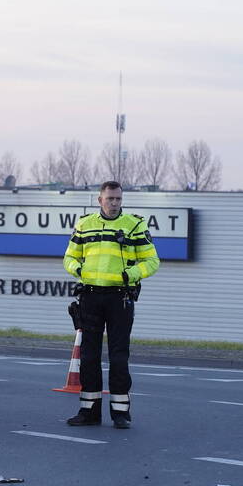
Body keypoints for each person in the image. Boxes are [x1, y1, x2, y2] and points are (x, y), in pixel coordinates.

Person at [63, 181, 159, 429]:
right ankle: (89, 411)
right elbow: (69, 257)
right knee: (89, 356)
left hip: (120, 298)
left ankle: (120, 413)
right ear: (100, 200)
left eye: (118, 199)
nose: (115, 203)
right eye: (110, 199)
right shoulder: (85, 224)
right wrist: (79, 269)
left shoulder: (134, 225)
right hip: (91, 297)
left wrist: (131, 275)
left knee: (118, 357)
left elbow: (152, 261)